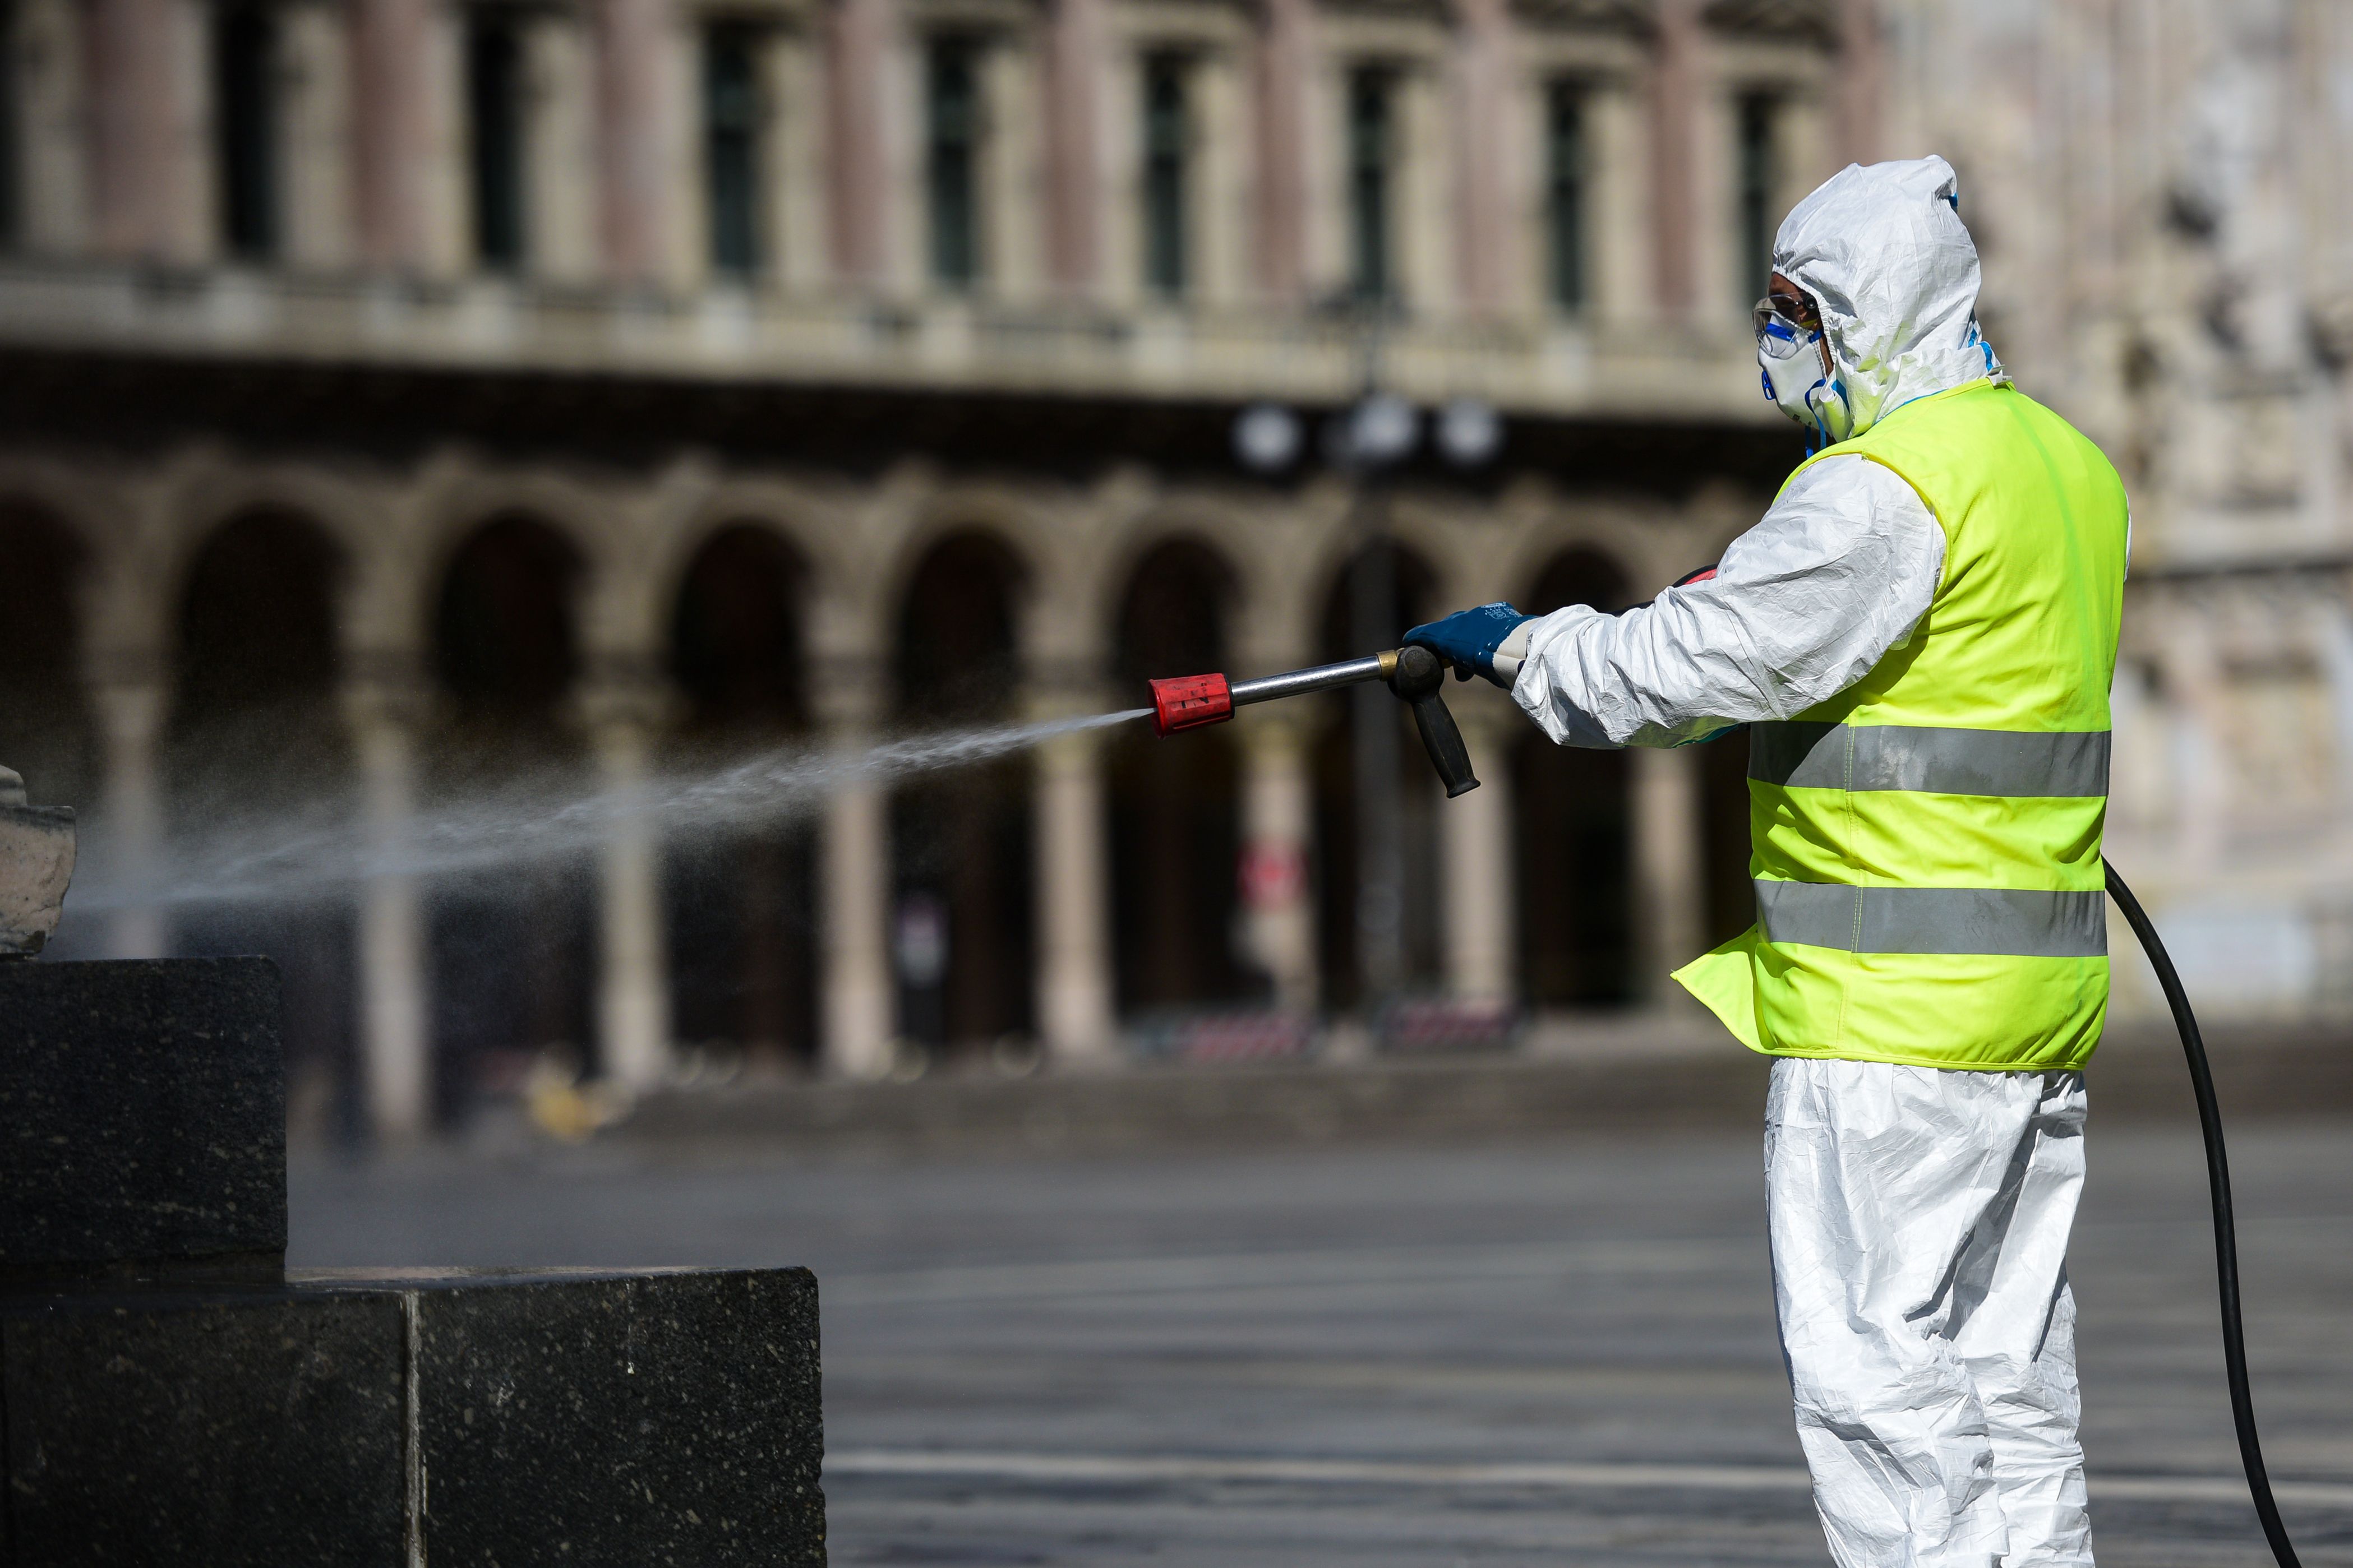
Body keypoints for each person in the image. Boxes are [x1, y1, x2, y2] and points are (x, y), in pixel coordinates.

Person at [1406, 155, 2127, 1568]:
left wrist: (1519, 647)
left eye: (1793, 308)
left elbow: (1677, 673)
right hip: (2031, 1012)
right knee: (2009, 1375)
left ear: (1864, 311)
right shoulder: (2061, 464)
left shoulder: (1881, 487)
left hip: (1891, 1026)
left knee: (1880, 1385)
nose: (1772, 336)